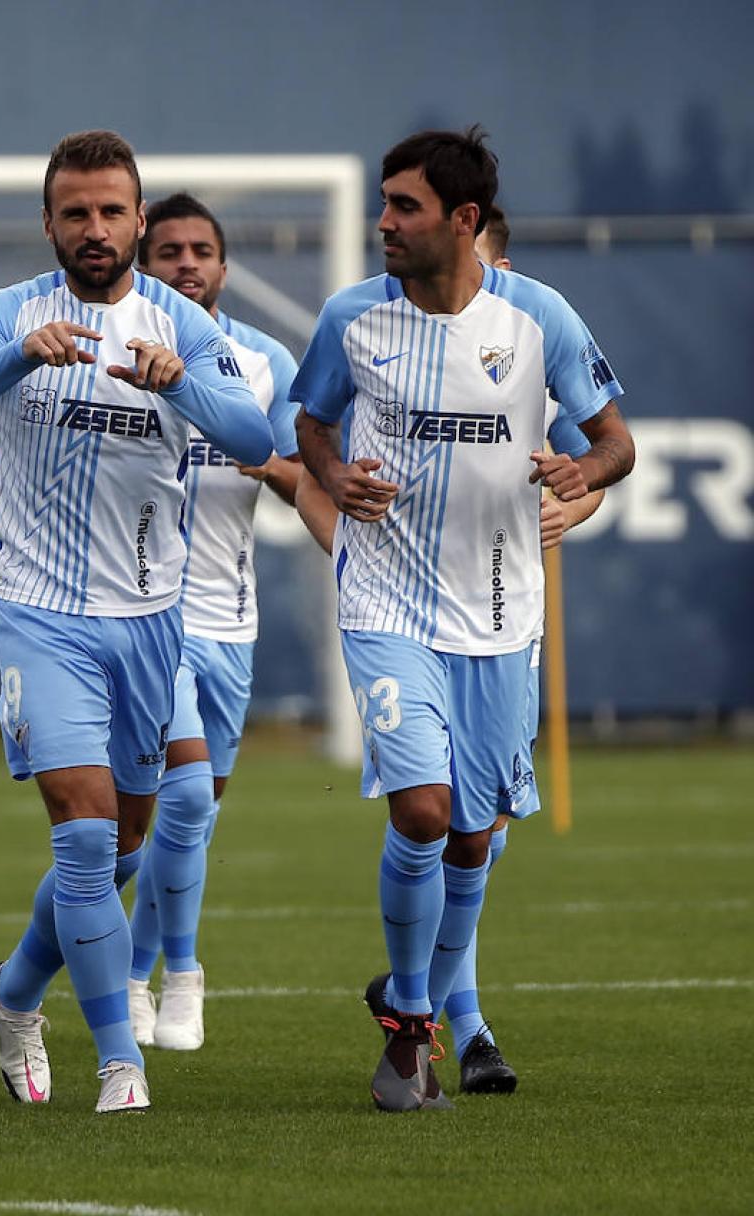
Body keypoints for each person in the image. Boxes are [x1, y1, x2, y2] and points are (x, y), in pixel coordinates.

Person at [0, 130, 273, 1115]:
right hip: (41, 612)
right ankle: (123, 1058)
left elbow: (256, 435)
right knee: (82, 843)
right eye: (74, 212)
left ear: (139, 219)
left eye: (112, 210)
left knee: (123, 849)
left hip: (155, 622)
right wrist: (10, 365)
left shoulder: (182, 327)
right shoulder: (7, 313)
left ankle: (16, 992)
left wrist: (183, 383)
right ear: (48, 223)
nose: (94, 228)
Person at [291, 128, 633, 1111]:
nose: (383, 222)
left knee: (473, 839)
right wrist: (332, 472)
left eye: (404, 206)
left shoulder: (540, 319)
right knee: (423, 811)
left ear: (465, 220)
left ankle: (415, 1000)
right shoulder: (353, 318)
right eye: (385, 202)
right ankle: (412, 1021)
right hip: (387, 602)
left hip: (499, 613)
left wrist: (583, 472)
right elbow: (310, 422)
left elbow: (615, 441)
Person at [122, 192, 301, 1052]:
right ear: (142, 264)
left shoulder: (265, 364)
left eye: (200, 250)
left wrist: (265, 461)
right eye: (168, 252)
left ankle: (132, 975)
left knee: (192, 817)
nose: (185, 263)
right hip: (144, 616)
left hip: (232, 620)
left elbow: (310, 472)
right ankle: (179, 976)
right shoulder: (110, 350)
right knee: (182, 795)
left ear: (224, 269)